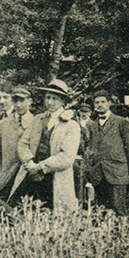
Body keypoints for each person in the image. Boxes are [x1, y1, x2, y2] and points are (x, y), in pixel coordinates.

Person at [15, 80, 81, 213]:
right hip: (31, 176)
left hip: (56, 181)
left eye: (54, 99)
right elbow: (23, 143)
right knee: (26, 213)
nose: (50, 102)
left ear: (63, 101)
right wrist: (29, 162)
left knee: (54, 218)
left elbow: (66, 157)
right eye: (48, 97)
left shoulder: (71, 125)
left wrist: (39, 167)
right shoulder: (38, 119)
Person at [84, 90, 129, 216]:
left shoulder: (121, 122)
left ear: (109, 103)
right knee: (101, 210)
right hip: (98, 172)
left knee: (119, 210)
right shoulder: (91, 125)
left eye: (103, 102)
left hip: (116, 171)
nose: (100, 105)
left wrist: (124, 167)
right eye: (97, 102)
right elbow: (90, 146)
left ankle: (123, 234)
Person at [0, 86, 34, 197]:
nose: (18, 105)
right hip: (6, 181)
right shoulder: (3, 124)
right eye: (15, 101)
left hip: (30, 180)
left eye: (22, 100)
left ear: (30, 101)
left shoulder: (37, 123)